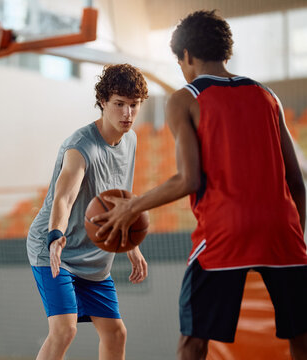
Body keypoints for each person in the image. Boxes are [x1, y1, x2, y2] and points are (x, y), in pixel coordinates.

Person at [91, 10, 307, 360]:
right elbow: (296, 180)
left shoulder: (185, 98)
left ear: (186, 56)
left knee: (193, 343)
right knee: (301, 337)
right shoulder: (268, 96)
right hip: (284, 232)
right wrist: (294, 235)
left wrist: (132, 205)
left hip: (226, 231)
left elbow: (188, 179)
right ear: (225, 52)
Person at [26, 64, 149, 360]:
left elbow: (119, 197)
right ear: (103, 102)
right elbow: (64, 198)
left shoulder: (130, 140)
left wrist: (130, 245)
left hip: (95, 255)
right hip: (57, 250)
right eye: (119, 104)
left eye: (134, 105)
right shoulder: (80, 147)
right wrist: (55, 236)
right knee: (65, 330)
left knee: (116, 333)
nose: (127, 114)